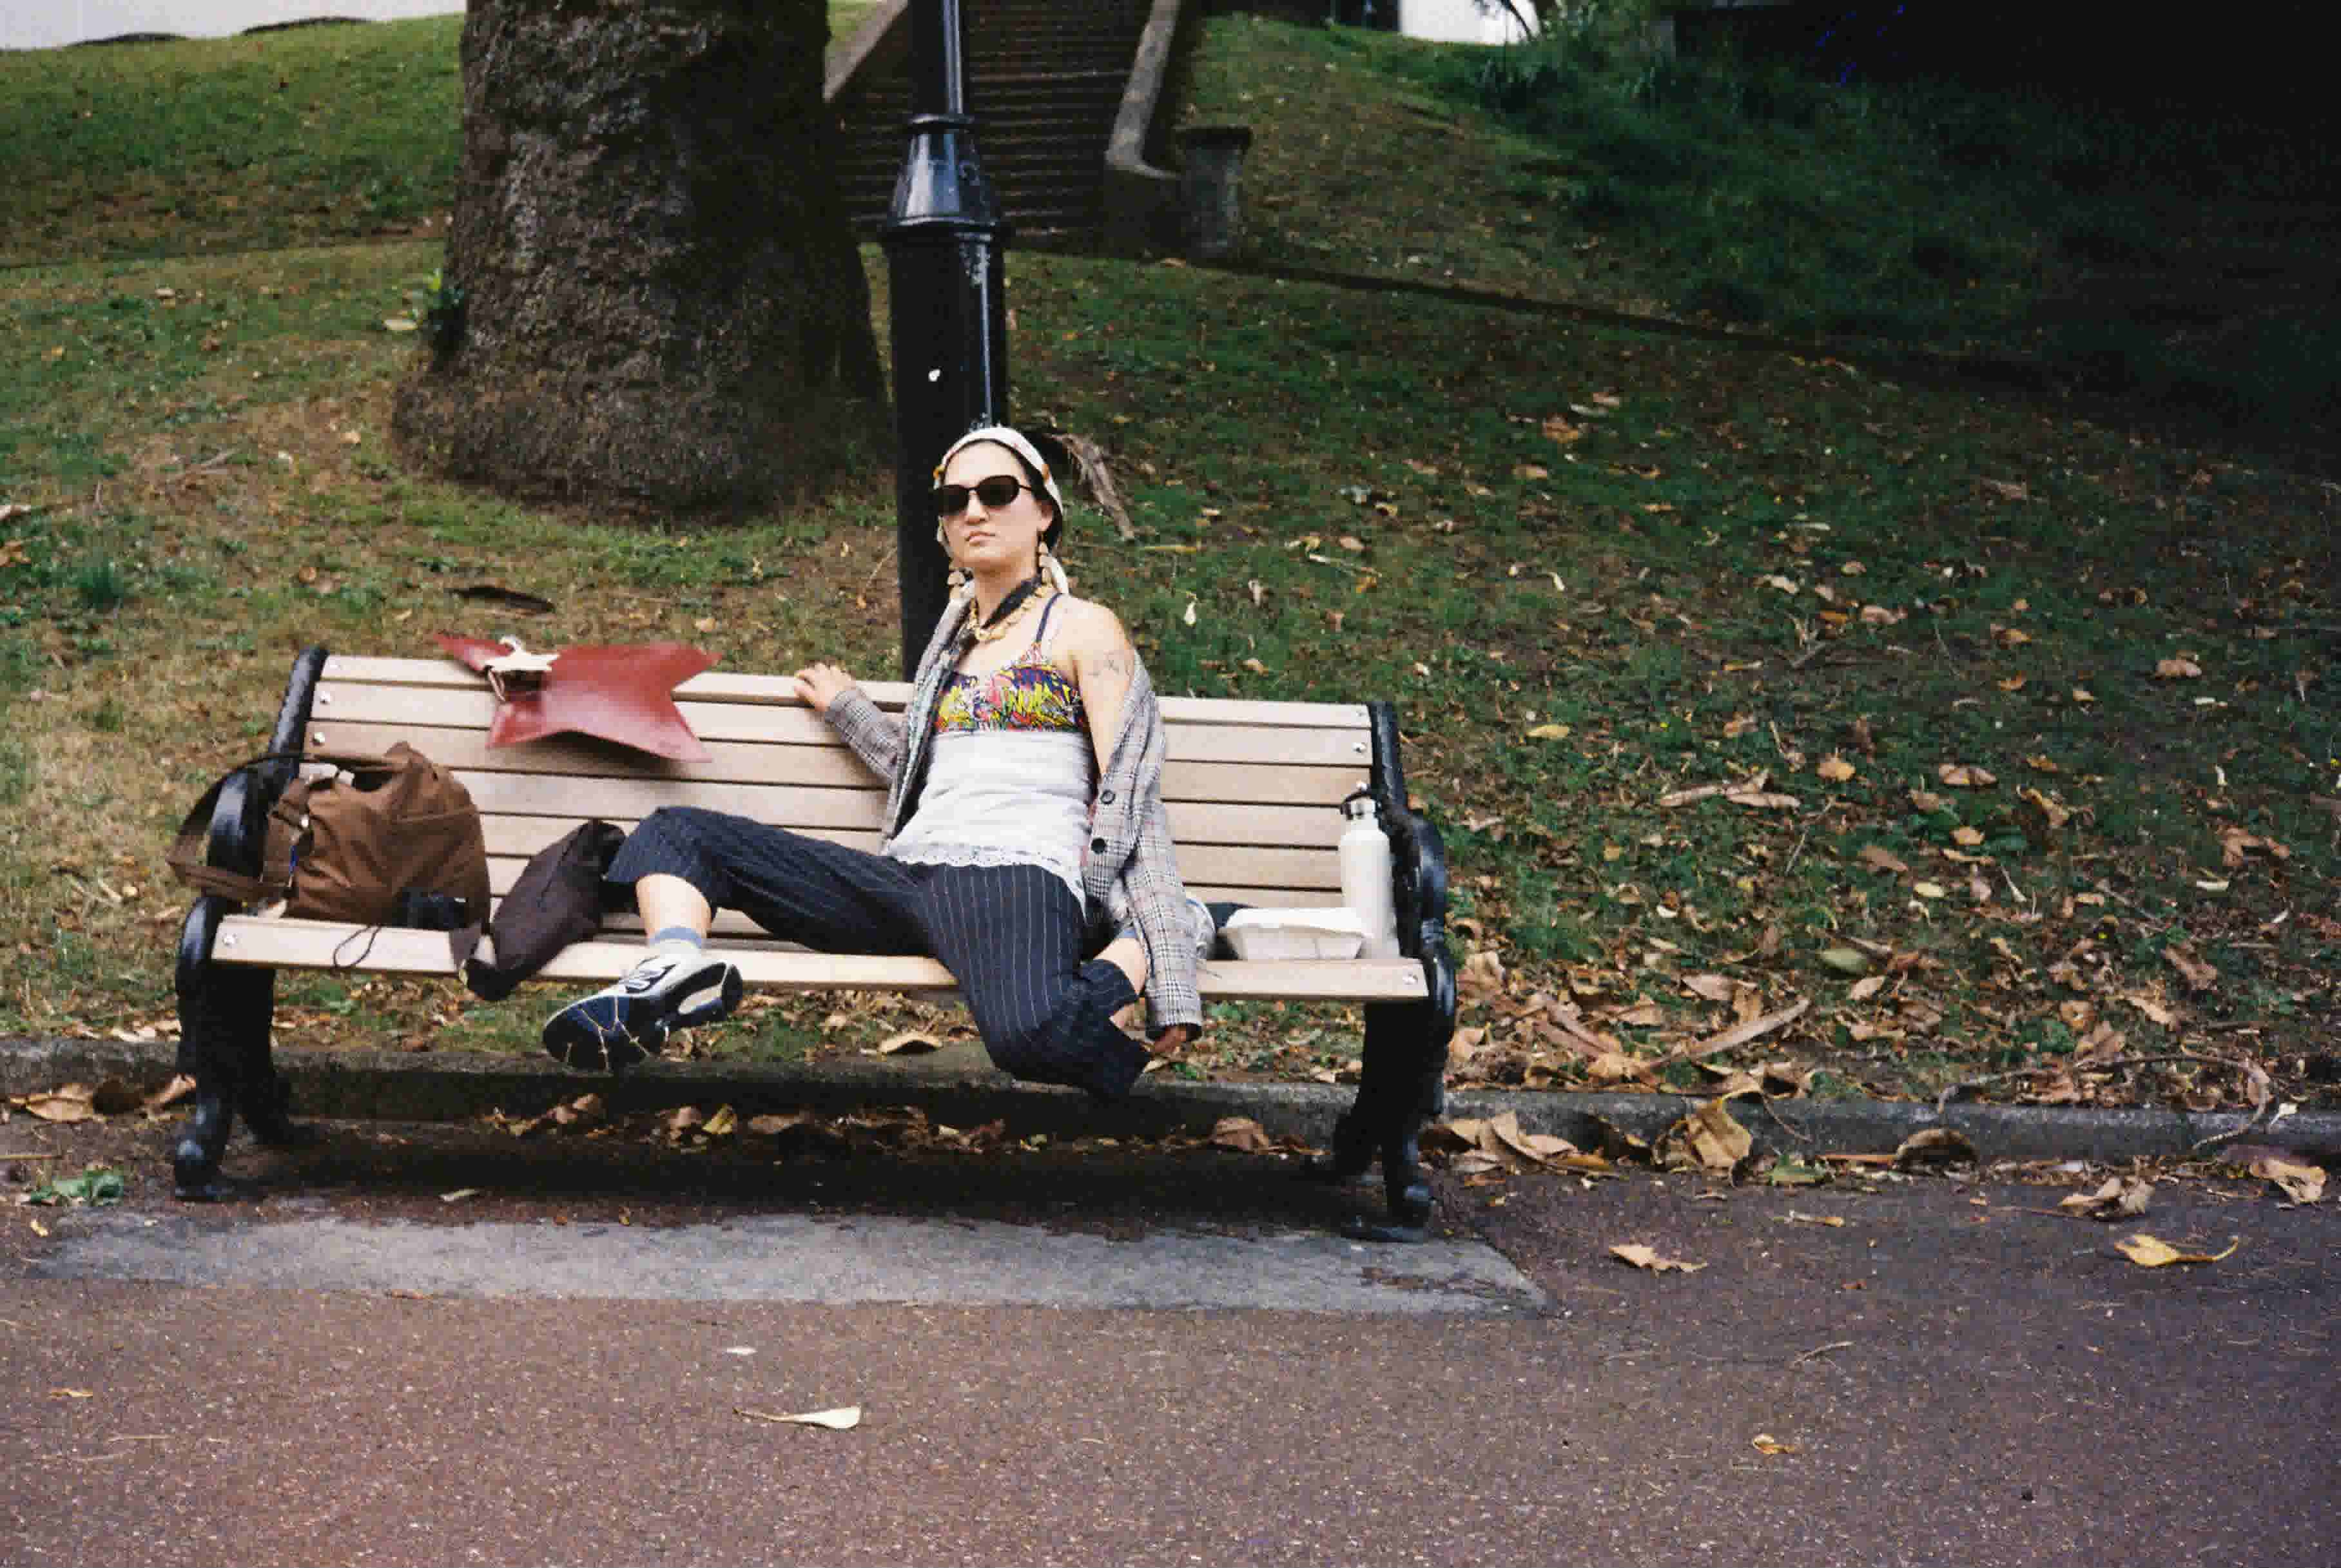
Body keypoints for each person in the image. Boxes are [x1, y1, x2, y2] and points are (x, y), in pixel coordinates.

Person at [541, 425, 1213, 1100]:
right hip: (911, 876)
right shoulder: (954, 646)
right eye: (954, 501)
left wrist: (1164, 958)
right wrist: (851, 712)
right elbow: (924, 773)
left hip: (1015, 876)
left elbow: (1131, 789)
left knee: (1031, 1038)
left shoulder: (1083, 628)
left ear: (1044, 512)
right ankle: (675, 967)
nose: (973, 511)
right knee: (677, 834)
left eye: (997, 492)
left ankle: (1174, 926)